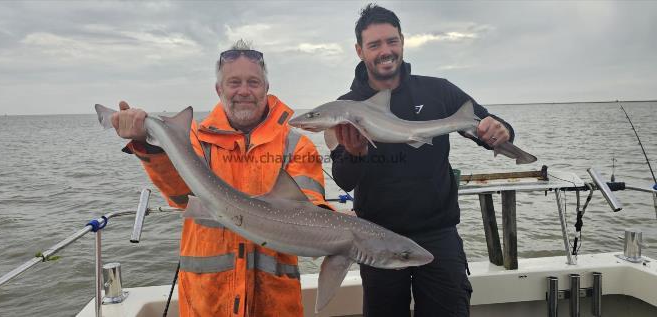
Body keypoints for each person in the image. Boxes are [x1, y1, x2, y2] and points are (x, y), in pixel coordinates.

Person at [110, 39, 331, 317]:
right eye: (234, 82)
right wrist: (150, 143)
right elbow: (180, 198)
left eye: (253, 82)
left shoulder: (296, 146)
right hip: (208, 303)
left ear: (266, 88)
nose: (244, 91)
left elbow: (309, 208)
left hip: (275, 305)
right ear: (219, 89)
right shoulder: (194, 140)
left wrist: (337, 227)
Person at [331, 4, 516, 316]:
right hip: (377, 237)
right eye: (374, 45)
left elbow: (487, 126)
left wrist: (502, 130)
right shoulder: (346, 107)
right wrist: (355, 154)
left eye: (391, 41)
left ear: (402, 41)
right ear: (359, 51)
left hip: (439, 235)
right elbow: (344, 179)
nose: (385, 51)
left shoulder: (437, 91)